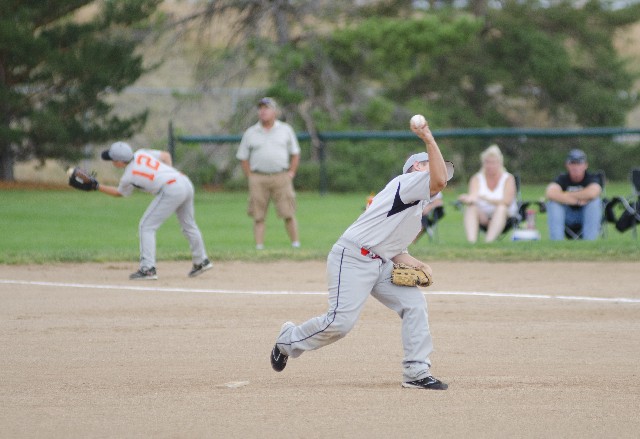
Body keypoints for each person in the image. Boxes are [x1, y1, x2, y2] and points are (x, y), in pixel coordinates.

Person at [269, 119, 454, 390]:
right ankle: (288, 340)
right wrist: (429, 139)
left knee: (414, 304)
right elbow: (438, 180)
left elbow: (394, 250)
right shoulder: (408, 182)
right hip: (353, 257)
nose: (440, 173)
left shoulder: (414, 211)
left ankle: (416, 372)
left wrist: (420, 264)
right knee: (340, 324)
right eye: (430, 163)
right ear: (416, 168)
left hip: (378, 262)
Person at [99, 141, 213, 280]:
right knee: (189, 225)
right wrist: (169, 174)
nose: (112, 162)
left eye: (113, 160)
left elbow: (119, 193)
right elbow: (165, 155)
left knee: (146, 226)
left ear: (119, 162)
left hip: (172, 188)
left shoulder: (128, 176)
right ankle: (201, 260)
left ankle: (148, 269)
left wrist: (96, 186)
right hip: (183, 180)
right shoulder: (141, 153)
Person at [236, 97, 301, 250]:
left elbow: (295, 153)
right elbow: (243, 156)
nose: (263, 111)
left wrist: (291, 172)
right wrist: (250, 176)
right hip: (258, 177)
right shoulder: (251, 132)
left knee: (288, 212)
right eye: (261, 108)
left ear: (275, 111)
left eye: (267, 108)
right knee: (258, 215)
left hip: (281, 176)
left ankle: (296, 245)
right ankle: (259, 247)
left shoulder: (285, 129)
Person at [457, 144, 518, 243]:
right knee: (471, 208)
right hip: (482, 216)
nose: (490, 166)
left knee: (501, 208)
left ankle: (488, 242)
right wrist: (466, 198)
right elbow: (473, 196)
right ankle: (471, 243)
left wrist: (486, 199)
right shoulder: (476, 178)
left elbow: (507, 201)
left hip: (505, 216)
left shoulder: (508, 178)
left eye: (493, 162)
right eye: (487, 162)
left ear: (500, 163)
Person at [545, 149, 602, 240]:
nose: (575, 167)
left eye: (579, 163)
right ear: (567, 165)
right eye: (572, 163)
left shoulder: (591, 178)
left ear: (585, 165)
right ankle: (556, 243)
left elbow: (593, 192)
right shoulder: (562, 178)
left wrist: (563, 195)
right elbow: (550, 193)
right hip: (567, 216)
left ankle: (590, 243)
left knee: (594, 202)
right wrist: (578, 201)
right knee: (553, 204)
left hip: (585, 215)